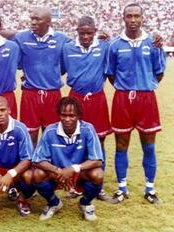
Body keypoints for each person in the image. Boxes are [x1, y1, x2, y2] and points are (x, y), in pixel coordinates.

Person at [105, 3, 166, 204]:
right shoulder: (115, 45)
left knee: (149, 146)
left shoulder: (153, 43)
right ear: (123, 18)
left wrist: (143, 87)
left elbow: (159, 72)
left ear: (142, 18)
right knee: (121, 145)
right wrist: (126, 88)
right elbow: (111, 74)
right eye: (129, 16)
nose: (132, 20)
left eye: (136, 16)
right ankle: (122, 189)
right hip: (122, 99)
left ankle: (150, 189)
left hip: (146, 98)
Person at [62, 16, 111, 201]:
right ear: (77, 32)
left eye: (89, 33)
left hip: (97, 98)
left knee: (100, 140)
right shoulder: (67, 48)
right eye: (82, 33)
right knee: (75, 141)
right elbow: (58, 68)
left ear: (95, 32)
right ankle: (75, 184)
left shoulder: (104, 46)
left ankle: (99, 185)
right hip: (76, 98)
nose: (85, 37)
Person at [32, 96, 104, 221]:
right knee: (38, 174)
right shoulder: (50, 131)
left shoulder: (88, 129)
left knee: (98, 174)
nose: (67, 119)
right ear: (59, 115)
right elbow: (37, 160)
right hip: (57, 174)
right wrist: (58, 171)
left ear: (79, 115)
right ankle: (54, 203)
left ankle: (85, 203)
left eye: (72, 115)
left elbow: (97, 160)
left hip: (80, 173)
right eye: (63, 115)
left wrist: (73, 169)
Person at [13, 7, 71, 147]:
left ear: (48, 22)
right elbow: (16, 60)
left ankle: (49, 168)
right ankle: (32, 168)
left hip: (52, 94)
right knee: (30, 136)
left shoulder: (62, 39)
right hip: (30, 95)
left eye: (37, 19)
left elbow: (64, 66)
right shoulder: (21, 38)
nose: (33, 22)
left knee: (51, 135)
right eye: (32, 18)